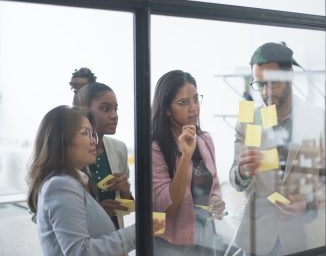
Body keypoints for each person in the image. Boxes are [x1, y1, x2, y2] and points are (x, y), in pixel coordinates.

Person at [229, 42, 326, 255]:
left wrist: (307, 202)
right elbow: (235, 179)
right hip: (260, 241)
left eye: (273, 83)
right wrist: (242, 171)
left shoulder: (322, 119)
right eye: (259, 84)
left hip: (309, 239)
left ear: (290, 76)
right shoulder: (248, 120)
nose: (266, 92)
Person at [26, 105, 164, 255]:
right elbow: (80, 252)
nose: (94, 141)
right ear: (62, 140)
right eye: (86, 133)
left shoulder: (72, 182)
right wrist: (140, 230)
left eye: (93, 134)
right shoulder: (60, 185)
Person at [151, 70, 225, 255]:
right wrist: (185, 156)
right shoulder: (155, 147)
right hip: (170, 244)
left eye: (195, 99)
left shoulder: (205, 139)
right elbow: (167, 207)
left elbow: (214, 183)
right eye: (183, 102)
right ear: (167, 109)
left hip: (205, 237)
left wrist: (215, 199)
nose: (193, 108)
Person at [72, 80, 133, 229]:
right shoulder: (70, 153)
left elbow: (128, 206)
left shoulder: (119, 149)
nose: (114, 116)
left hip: (115, 241)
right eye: (106, 109)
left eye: (116, 109)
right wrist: (96, 213)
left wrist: (125, 190)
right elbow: (41, 213)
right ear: (84, 111)